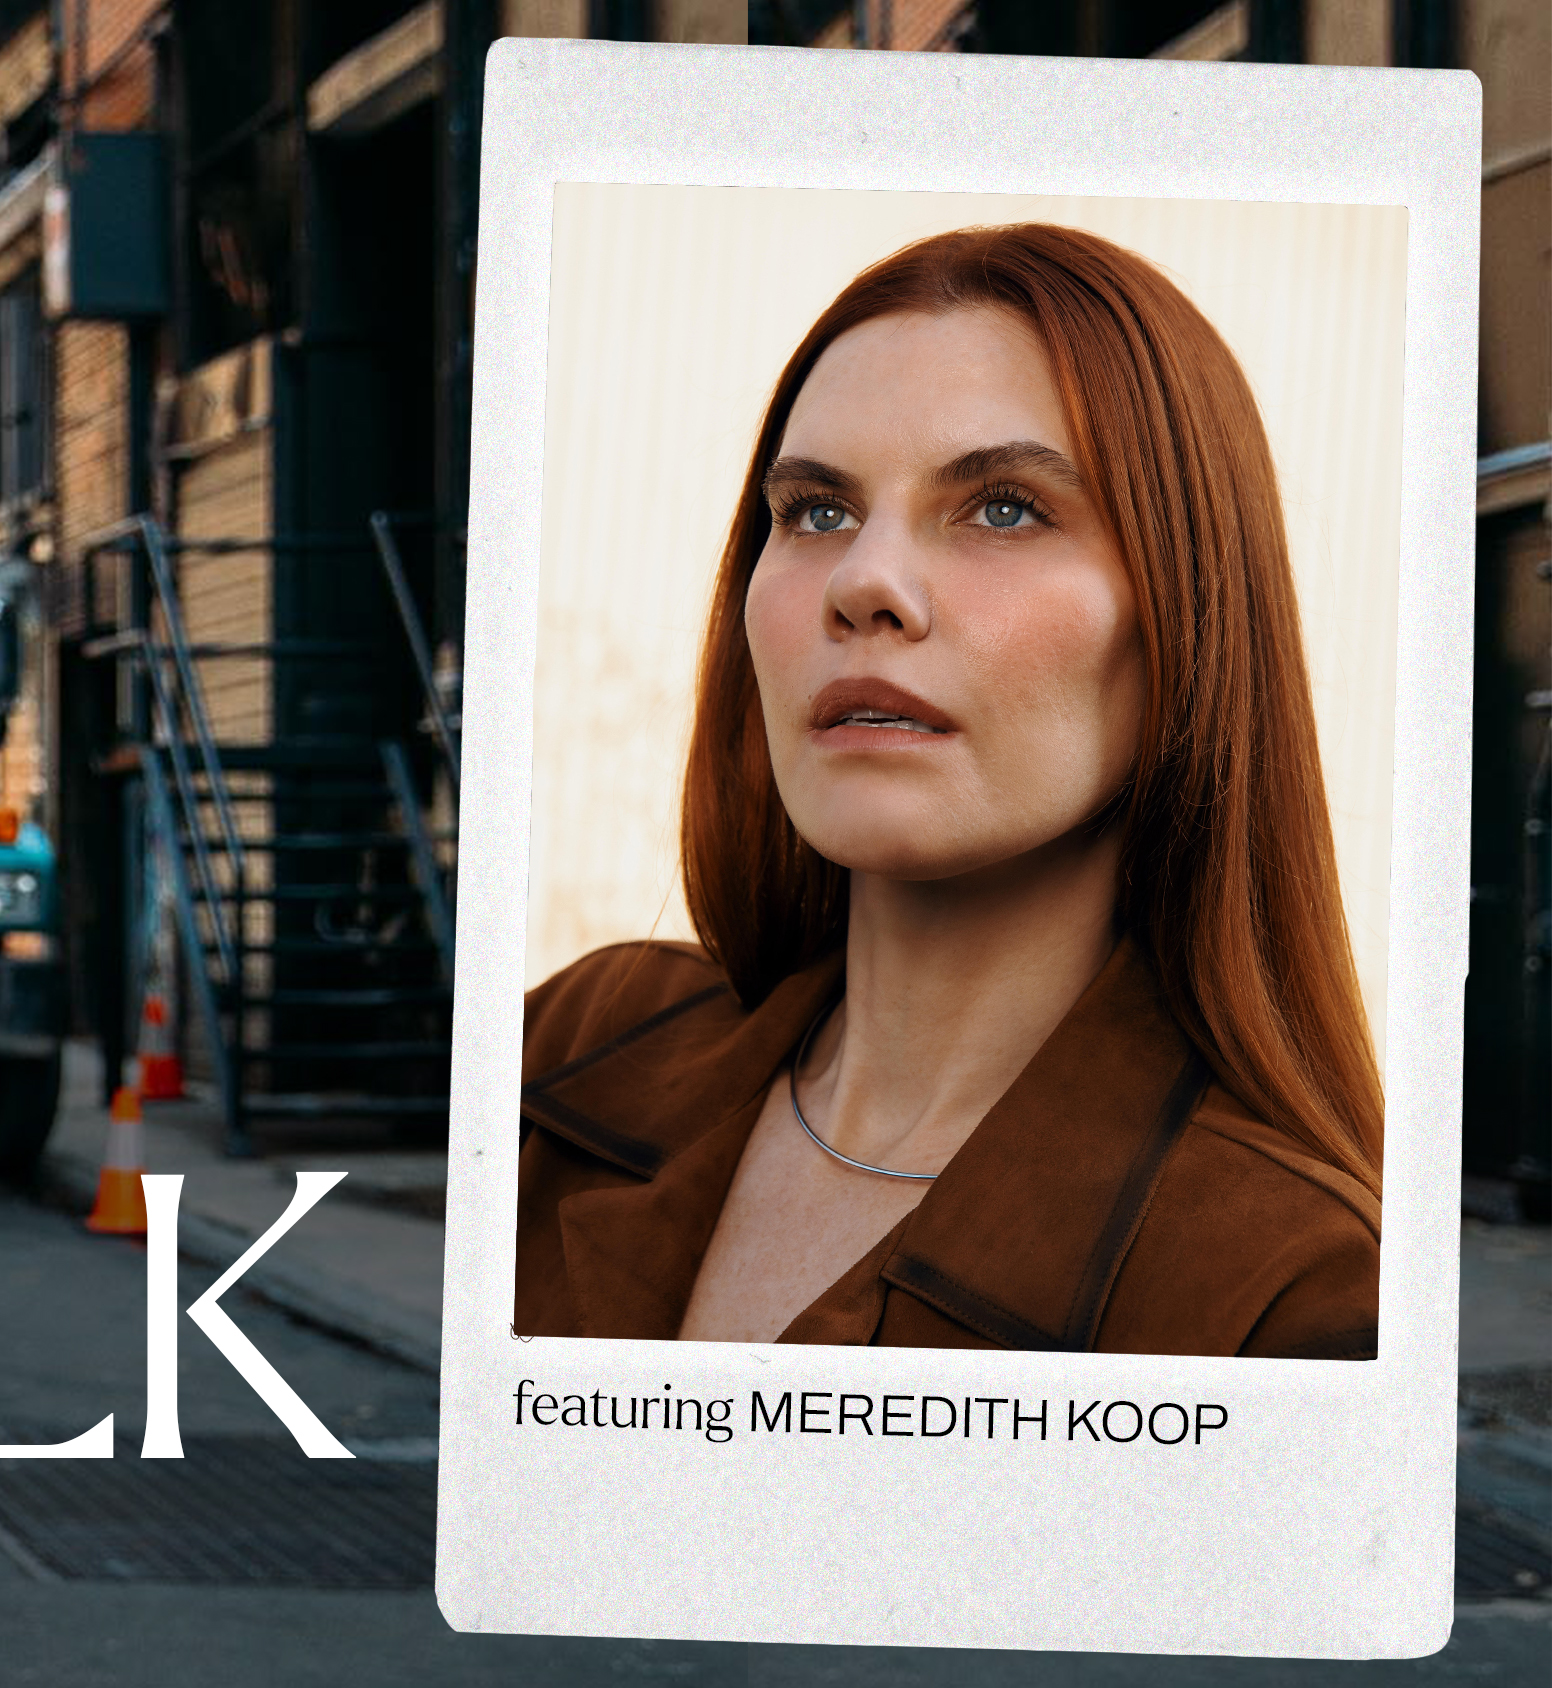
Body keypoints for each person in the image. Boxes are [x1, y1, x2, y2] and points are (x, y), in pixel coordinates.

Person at [514, 224, 1380, 1359]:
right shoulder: (566, 1047)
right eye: (816, 511)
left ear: (1188, 610)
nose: (864, 581)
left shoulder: (1292, 1288)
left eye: (1005, 506)